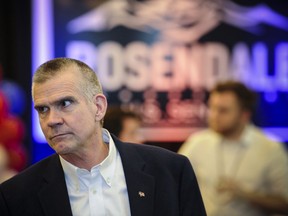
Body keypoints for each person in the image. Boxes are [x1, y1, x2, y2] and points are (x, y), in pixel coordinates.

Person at [0, 57, 206, 216]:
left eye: (65, 104)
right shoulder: (15, 196)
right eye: (43, 109)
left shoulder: (171, 172)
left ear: (98, 107)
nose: (52, 120)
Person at [178, 80, 288, 216]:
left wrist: (247, 195)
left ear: (244, 115)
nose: (214, 115)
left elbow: (284, 204)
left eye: (223, 110)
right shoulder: (197, 143)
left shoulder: (270, 149)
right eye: (212, 108)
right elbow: (174, 184)